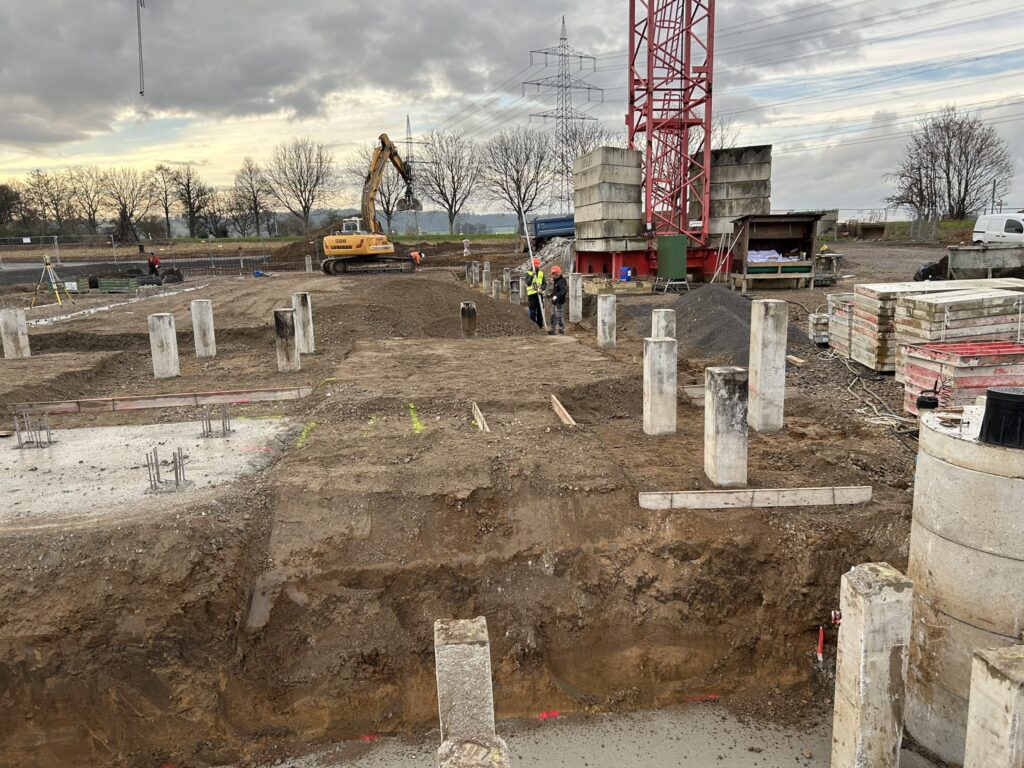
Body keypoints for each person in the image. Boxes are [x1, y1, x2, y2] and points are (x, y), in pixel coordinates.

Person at [525, 257, 546, 329]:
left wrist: (542, 288)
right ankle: (533, 326)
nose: (536, 267)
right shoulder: (528, 273)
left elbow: (544, 284)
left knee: (540, 311)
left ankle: (540, 325)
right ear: (532, 265)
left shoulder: (541, 273)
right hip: (532, 296)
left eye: (537, 266)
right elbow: (528, 283)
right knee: (532, 311)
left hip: (539, 295)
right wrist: (532, 275)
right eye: (535, 266)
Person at [548, 265, 567, 335]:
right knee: (553, 316)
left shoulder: (562, 281)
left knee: (559, 316)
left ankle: (561, 330)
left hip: (559, 302)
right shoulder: (556, 281)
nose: (552, 275)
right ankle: (553, 329)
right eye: (552, 274)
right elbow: (555, 290)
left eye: (553, 274)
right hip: (554, 302)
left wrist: (556, 296)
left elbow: (563, 291)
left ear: (557, 274)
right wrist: (551, 295)